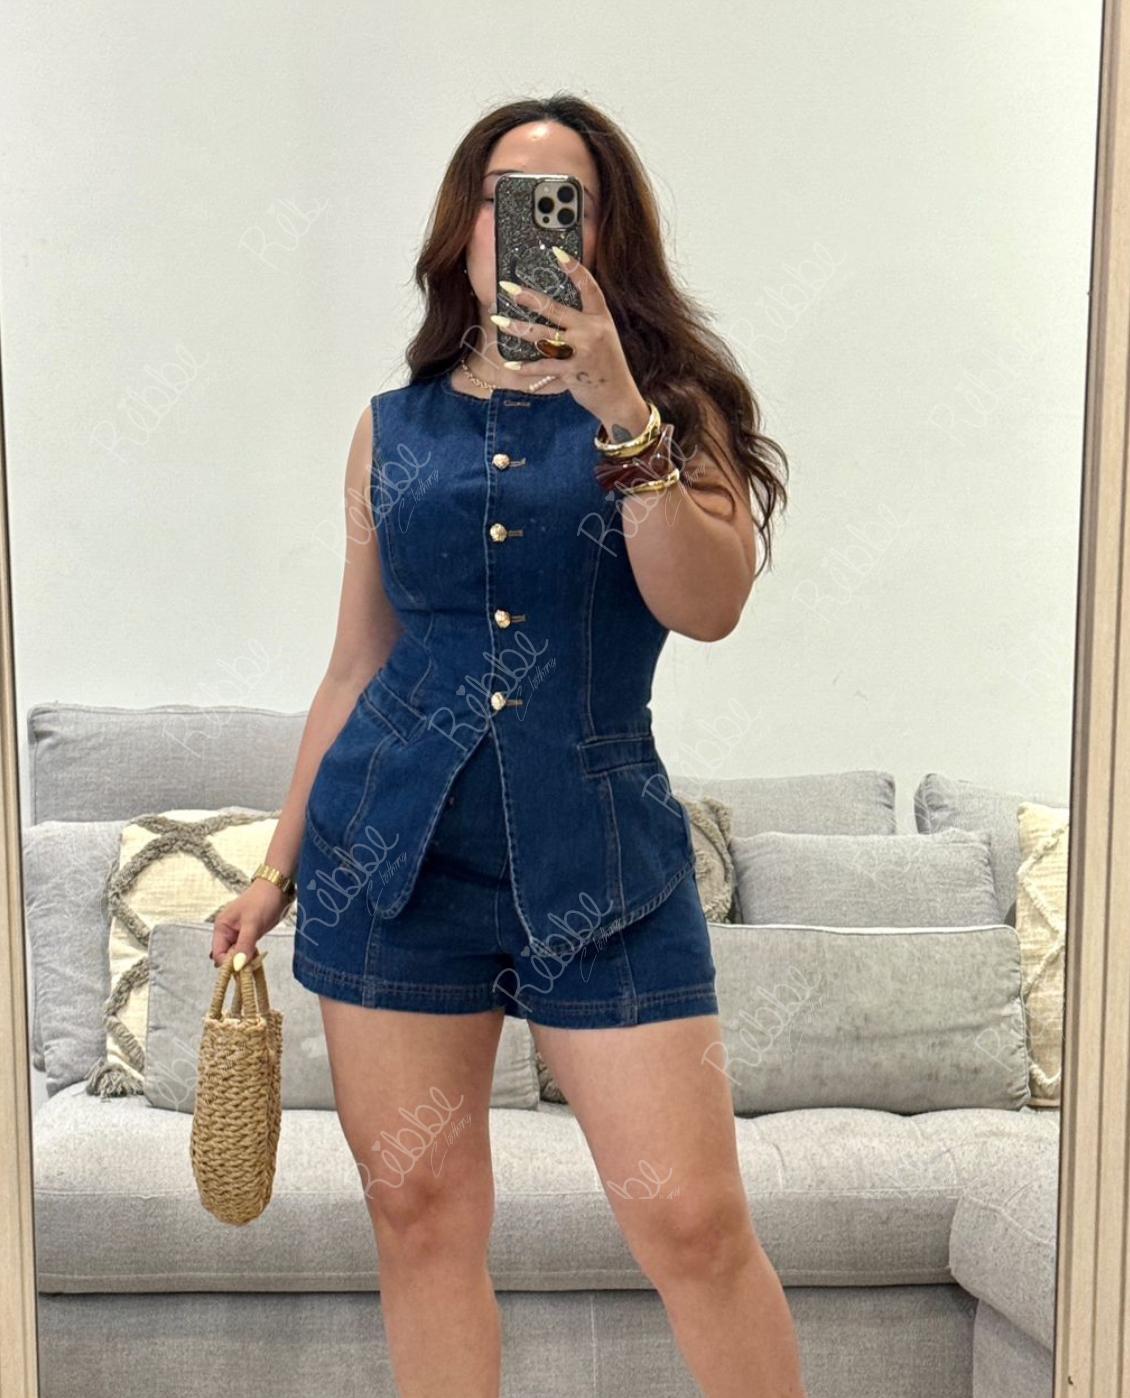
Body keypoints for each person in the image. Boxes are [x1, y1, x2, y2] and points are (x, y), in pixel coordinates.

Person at [211, 93, 804, 1398]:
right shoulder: (393, 427)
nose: (526, 224)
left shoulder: (668, 410)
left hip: (606, 872)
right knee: (420, 1217)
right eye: (502, 198)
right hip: (390, 870)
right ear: (463, 231)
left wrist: (618, 408)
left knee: (694, 1225)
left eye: (561, 202)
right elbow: (355, 663)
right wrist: (276, 871)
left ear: (603, 234)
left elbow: (705, 606)